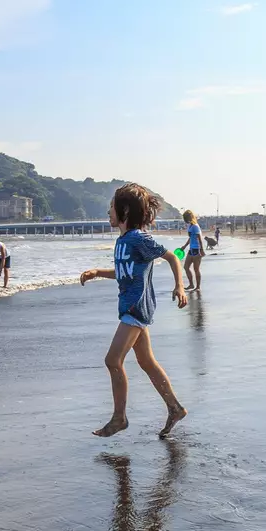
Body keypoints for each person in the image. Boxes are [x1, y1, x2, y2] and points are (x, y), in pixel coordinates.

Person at [79, 183, 188, 438]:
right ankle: (175, 408)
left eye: (111, 208)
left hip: (135, 307)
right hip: (131, 307)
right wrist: (98, 272)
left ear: (125, 210)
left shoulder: (139, 238)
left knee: (112, 361)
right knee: (146, 361)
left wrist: (180, 286)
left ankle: (119, 418)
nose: (108, 212)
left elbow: (172, 257)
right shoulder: (123, 241)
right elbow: (124, 272)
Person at [181, 210, 204, 292]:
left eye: (185, 218)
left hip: (197, 250)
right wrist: (184, 246)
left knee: (196, 269)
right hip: (191, 249)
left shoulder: (195, 226)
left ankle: (198, 287)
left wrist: (201, 250)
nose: (185, 220)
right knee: (186, 267)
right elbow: (191, 238)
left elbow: (199, 238)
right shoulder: (190, 226)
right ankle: (191, 284)